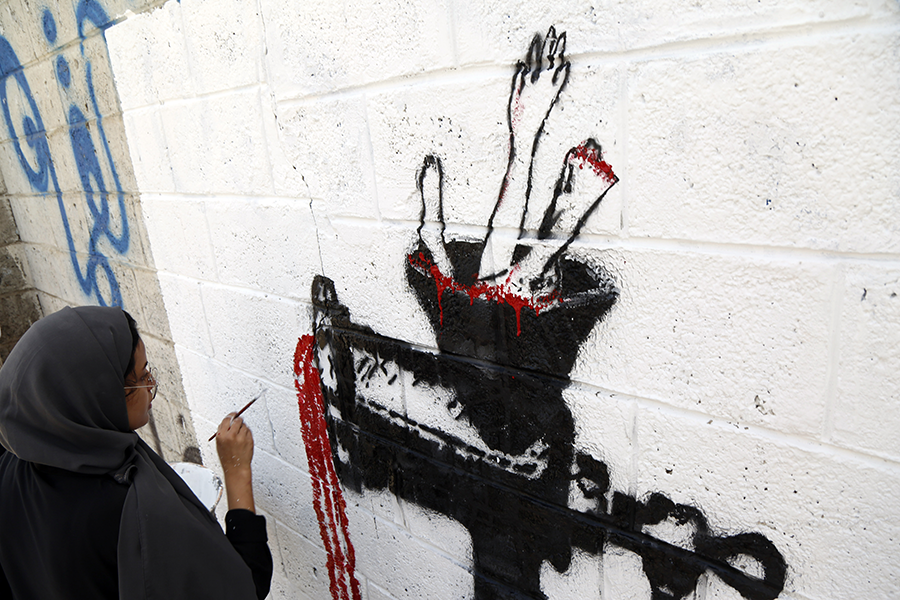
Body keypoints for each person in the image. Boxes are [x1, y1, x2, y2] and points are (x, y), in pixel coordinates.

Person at [0, 306, 272, 599]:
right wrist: (237, 471)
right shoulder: (139, 515)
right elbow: (245, 587)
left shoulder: (12, 470)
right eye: (142, 377)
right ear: (101, 395)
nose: (152, 384)